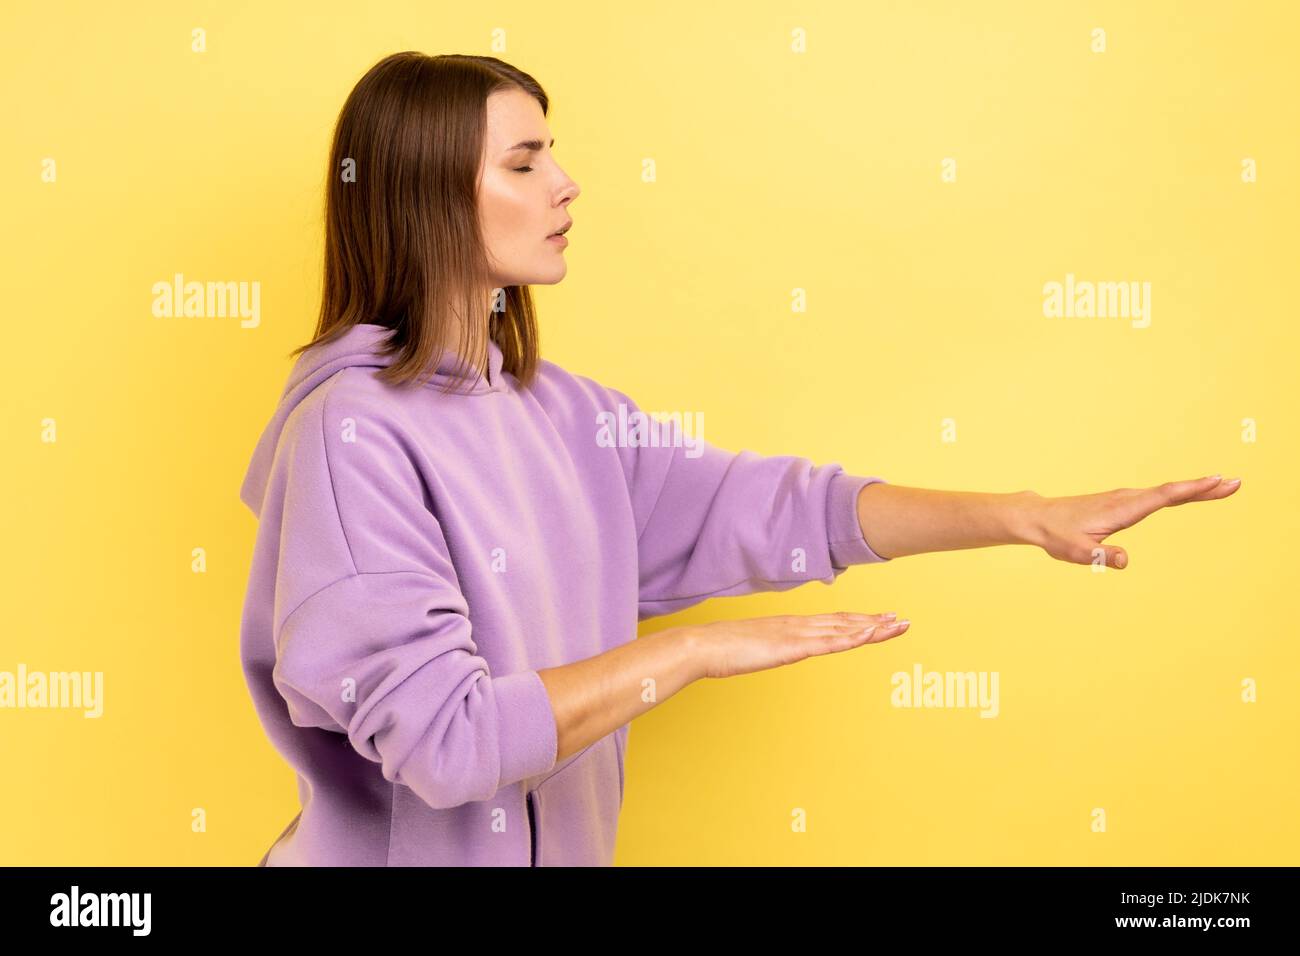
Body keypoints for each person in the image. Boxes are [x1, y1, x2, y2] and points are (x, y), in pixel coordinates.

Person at [238, 51, 1242, 867]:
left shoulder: (562, 413)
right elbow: (448, 743)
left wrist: (1019, 514)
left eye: (554, 154)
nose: (565, 182)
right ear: (426, 192)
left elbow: (769, 509)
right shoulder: (351, 431)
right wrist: (690, 650)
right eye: (525, 160)